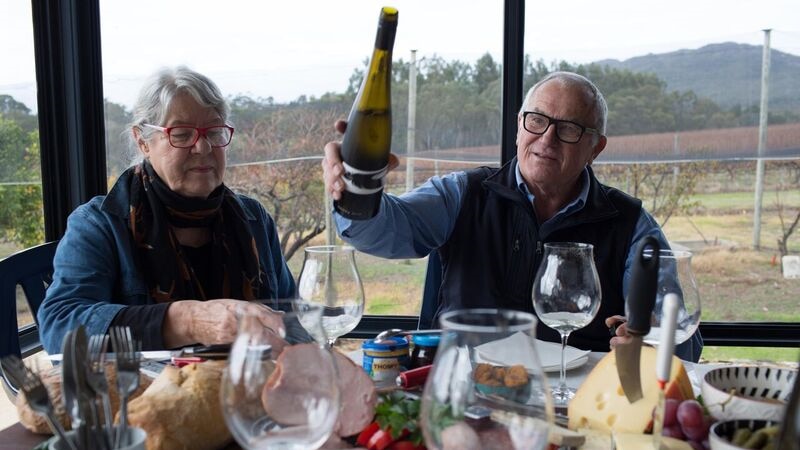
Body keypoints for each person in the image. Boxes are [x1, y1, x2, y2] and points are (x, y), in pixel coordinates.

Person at [323, 71, 702, 361]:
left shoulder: (631, 223)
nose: (547, 139)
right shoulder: (463, 193)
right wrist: (358, 188)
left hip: (576, 401)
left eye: (569, 128)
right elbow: (380, 231)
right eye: (537, 120)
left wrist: (648, 338)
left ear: (595, 147)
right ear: (519, 125)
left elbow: (679, 334)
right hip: (462, 388)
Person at [38, 66, 295, 353]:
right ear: (143, 141)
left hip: (247, 389)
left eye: (214, 131)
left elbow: (293, 320)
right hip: (145, 394)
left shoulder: (253, 218)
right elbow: (59, 327)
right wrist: (188, 321)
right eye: (182, 134)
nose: (203, 147)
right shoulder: (100, 223)